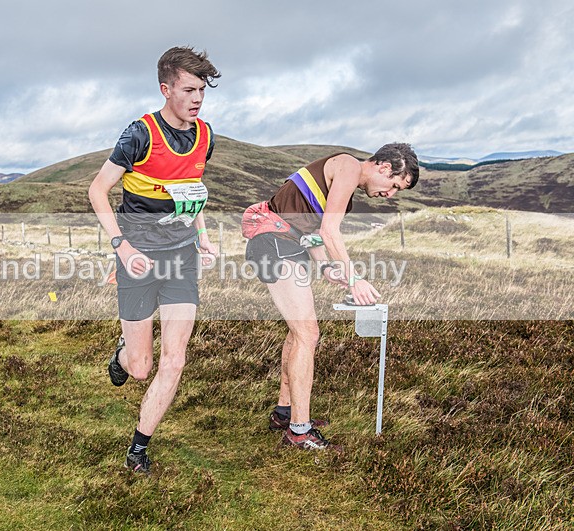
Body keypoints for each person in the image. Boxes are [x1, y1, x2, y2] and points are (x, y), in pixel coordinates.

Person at [88, 46, 220, 475]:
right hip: (138, 260)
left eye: (201, 90)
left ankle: (138, 449)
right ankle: (123, 354)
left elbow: (192, 193)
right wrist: (121, 246)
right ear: (166, 89)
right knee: (141, 368)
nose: (197, 99)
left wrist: (202, 237)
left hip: (182, 258)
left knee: (175, 360)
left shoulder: (205, 136)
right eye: (188, 90)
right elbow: (97, 190)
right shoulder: (140, 135)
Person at [243, 143, 419, 450]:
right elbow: (329, 231)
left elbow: (309, 228)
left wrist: (325, 266)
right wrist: (354, 281)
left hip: (286, 244)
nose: (390, 195)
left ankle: (284, 413)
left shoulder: (345, 185)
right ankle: (299, 432)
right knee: (307, 334)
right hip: (274, 243)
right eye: (393, 186)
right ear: (385, 168)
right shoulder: (348, 166)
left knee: (298, 333)